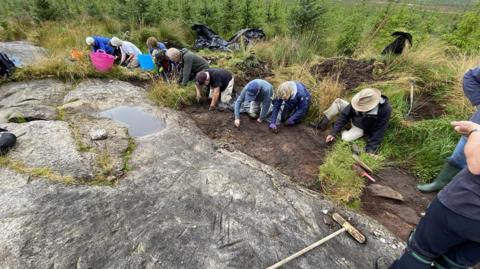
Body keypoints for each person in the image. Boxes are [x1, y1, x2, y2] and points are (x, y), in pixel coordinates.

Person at [377, 120, 480, 269]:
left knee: (421, 252)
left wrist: (475, 131)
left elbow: (476, 163)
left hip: (463, 206)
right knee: (454, 262)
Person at [418, 66, 480, 192]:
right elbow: (470, 77)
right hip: (476, 129)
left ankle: (458, 198)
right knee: (459, 158)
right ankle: (440, 184)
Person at [320, 88, 391, 154]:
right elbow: (344, 115)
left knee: (346, 138)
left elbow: (379, 131)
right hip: (354, 116)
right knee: (338, 102)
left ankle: (344, 129)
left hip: (361, 126)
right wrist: (333, 133)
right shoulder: (360, 99)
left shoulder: (385, 110)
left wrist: (370, 150)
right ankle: (322, 124)